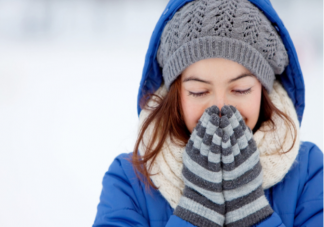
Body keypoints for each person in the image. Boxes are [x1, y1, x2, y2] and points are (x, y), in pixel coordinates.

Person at [92, 0, 323, 226]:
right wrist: (195, 213)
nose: (221, 108)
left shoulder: (309, 171)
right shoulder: (129, 182)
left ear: (263, 89)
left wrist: (252, 213)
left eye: (240, 89)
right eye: (199, 91)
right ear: (176, 94)